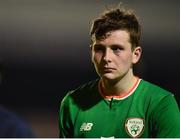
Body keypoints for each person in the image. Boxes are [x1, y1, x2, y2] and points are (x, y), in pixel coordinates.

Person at [59, 5, 180, 138]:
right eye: (99, 49)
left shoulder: (161, 103)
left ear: (136, 54)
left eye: (117, 49)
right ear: (91, 52)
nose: (106, 58)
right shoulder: (72, 103)